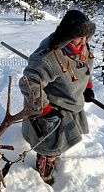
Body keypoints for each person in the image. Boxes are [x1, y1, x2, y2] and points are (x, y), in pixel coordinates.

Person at [18, 10, 96, 185]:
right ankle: (45, 158)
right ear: (68, 35)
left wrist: (87, 87)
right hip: (52, 105)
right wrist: (44, 109)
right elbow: (29, 83)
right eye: (79, 37)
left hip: (71, 100)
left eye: (86, 37)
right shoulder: (49, 57)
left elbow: (85, 67)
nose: (83, 42)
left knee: (64, 137)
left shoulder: (82, 46)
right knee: (50, 141)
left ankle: (53, 153)